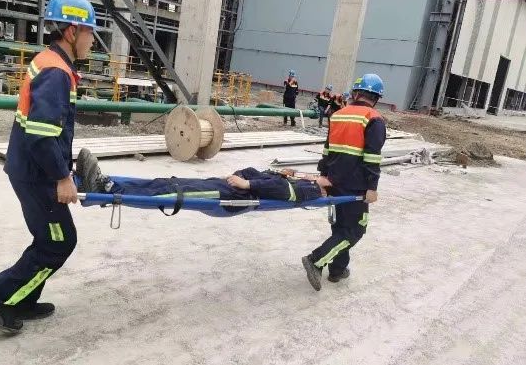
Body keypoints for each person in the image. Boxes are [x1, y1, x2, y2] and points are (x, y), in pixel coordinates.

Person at [0, 0, 97, 334]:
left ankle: (21, 301)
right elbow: (41, 135)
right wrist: (62, 177)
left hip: (30, 169)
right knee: (58, 242)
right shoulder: (56, 72)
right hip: (38, 174)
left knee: (48, 239)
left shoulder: (50, 61)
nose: (93, 40)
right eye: (90, 32)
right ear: (72, 31)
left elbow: (46, 130)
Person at [301, 74, 386, 291]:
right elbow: (372, 158)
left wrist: (323, 177)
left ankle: (337, 270)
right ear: (376, 97)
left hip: (333, 182)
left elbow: (327, 150)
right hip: (355, 186)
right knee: (354, 230)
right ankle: (316, 260)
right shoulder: (373, 118)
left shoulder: (338, 115)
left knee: (340, 228)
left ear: (355, 93)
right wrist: (372, 187)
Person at [75, 149, 331, 210]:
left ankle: (107, 191)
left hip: (231, 197)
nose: (318, 175)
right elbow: (254, 171)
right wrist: (242, 176)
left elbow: (281, 192)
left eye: (324, 177)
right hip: (227, 187)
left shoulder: (311, 192)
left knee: (171, 194)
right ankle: (109, 184)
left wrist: (247, 183)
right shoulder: (303, 181)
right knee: (168, 183)